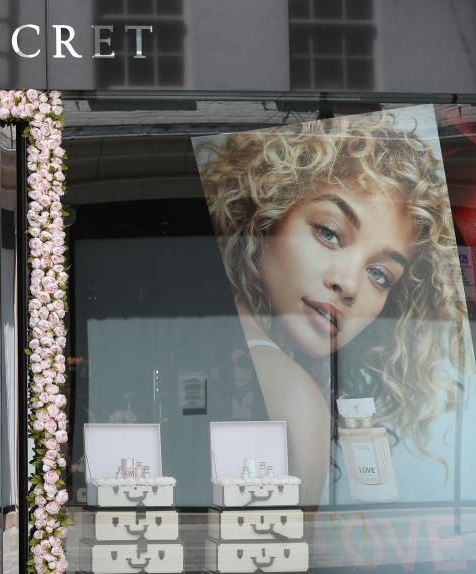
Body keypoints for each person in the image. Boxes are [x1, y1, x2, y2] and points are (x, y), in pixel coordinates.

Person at [196, 109, 466, 505]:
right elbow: (297, 560)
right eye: (329, 233)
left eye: (380, 275)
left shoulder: (226, 341)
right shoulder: (296, 396)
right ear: (268, 217)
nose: (350, 284)